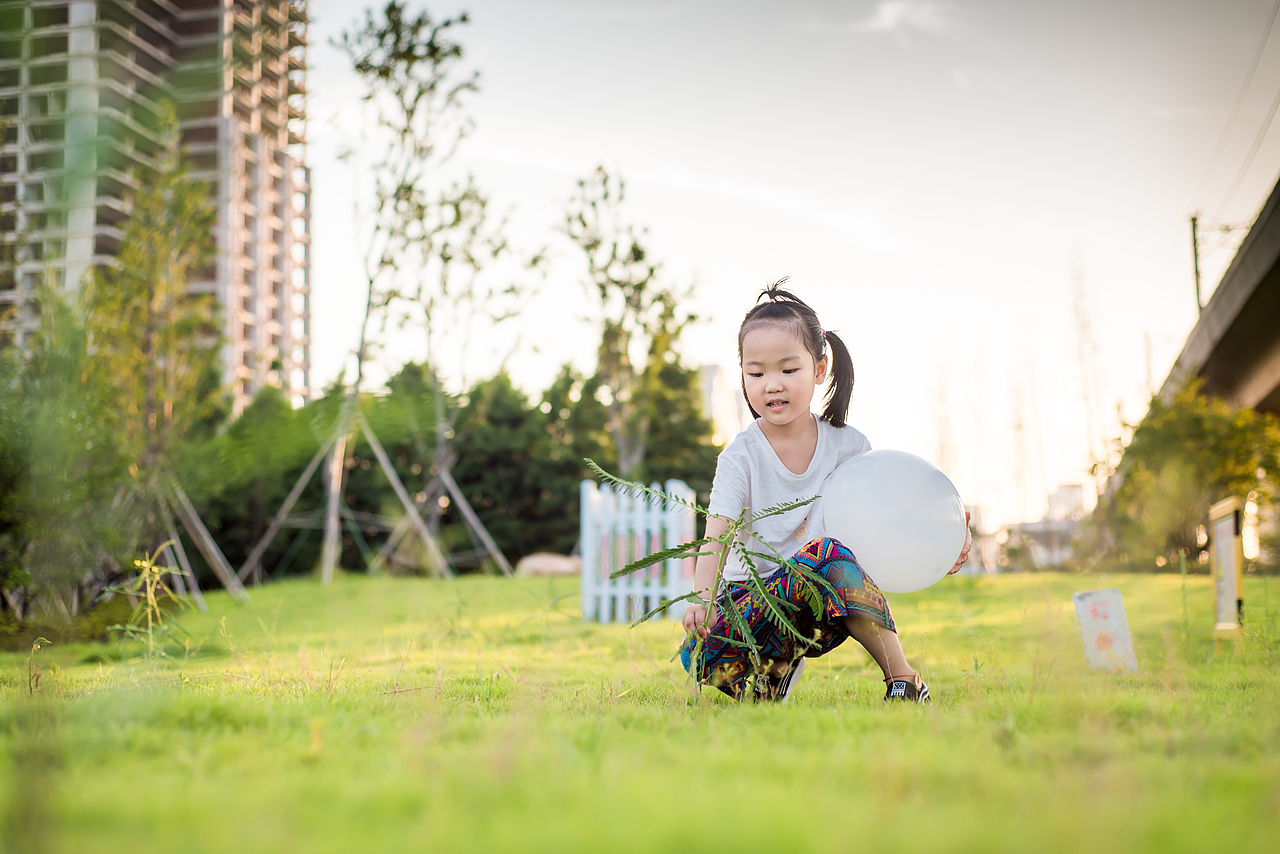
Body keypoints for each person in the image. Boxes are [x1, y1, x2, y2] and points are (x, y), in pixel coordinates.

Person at [680, 283, 971, 703]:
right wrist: (702, 600)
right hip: (753, 603)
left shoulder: (849, 447)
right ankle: (771, 675)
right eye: (756, 373)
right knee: (700, 658)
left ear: (819, 369)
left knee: (828, 553)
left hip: (826, 604)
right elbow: (718, 533)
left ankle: (905, 681)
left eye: (788, 369)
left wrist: (947, 540)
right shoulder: (740, 457)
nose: (771, 385)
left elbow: (895, 515)